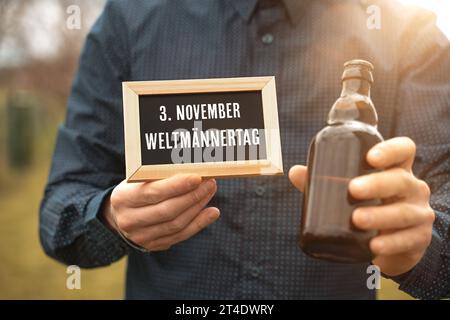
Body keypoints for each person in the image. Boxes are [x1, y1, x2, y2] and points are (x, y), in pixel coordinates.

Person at [40, 0, 449, 299]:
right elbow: (60, 213)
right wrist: (112, 217)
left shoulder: (406, 32)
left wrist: (422, 245)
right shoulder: (129, 20)